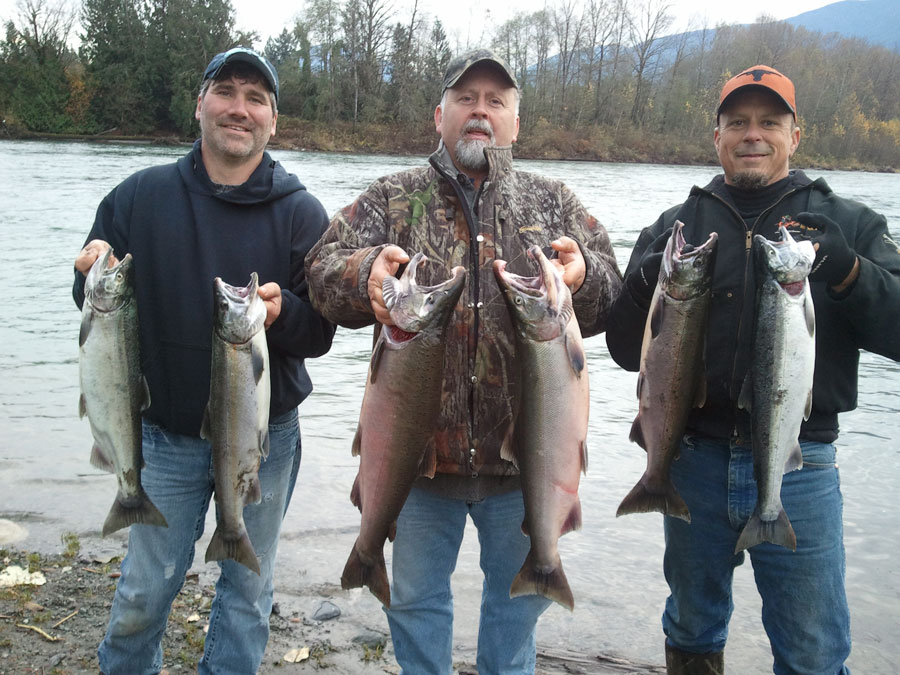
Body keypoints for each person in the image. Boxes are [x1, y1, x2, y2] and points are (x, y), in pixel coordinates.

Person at [305, 48, 622, 673]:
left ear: (515, 123)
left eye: (496, 101)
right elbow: (318, 269)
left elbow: (615, 288)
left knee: (514, 618)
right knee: (418, 606)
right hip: (417, 469)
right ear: (439, 113)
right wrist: (361, 273)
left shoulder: (553, 203)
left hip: (524, 470)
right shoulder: (392, 199)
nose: (481, 112)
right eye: (467, 99)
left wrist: (583, 281)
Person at [606, 64, 900, 674]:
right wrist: (642, 283)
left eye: (770, 122)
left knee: (814, 649)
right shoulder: (676, 227)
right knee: (691, 628)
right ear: (716, 136)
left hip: (803, 464)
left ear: (797, 135)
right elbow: (621, 346)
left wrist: (849, 272)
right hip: (694, 461)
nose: (753, 135)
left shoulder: (849, 224)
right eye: (737, 122)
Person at [72, 47, 335, 675]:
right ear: (200, 105)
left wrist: (282, 315)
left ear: (273, 119)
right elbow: (92, 301)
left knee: (248, 595)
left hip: (263, 439)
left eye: (256, 99)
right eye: (226, 92)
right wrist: (86, 275)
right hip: (161, 438)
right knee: (144, 591)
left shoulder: (302, 213)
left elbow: (321, 332)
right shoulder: (139, 197)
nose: (238, 109)